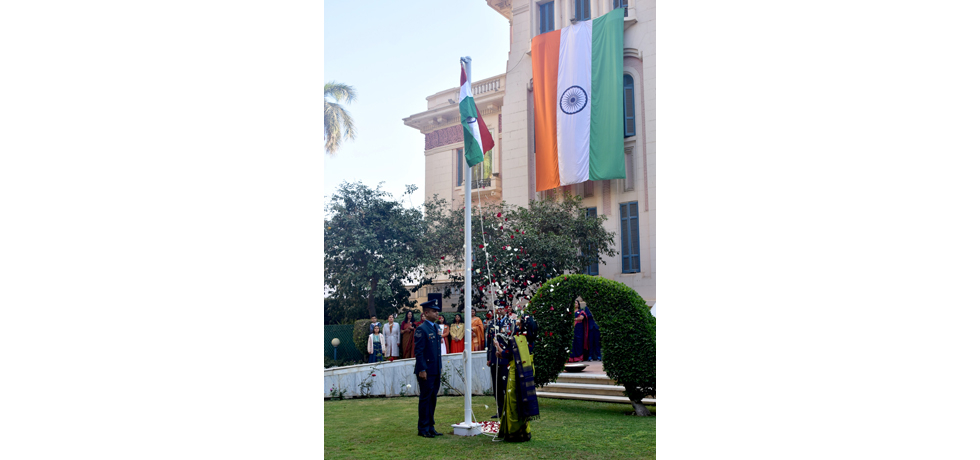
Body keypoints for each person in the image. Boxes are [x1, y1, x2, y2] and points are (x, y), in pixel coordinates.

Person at [493, 330, 539, 442]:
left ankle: (514, 432)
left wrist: (497, 346)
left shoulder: (516, 339)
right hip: (527, 371)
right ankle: (524, 431)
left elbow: (506, 353)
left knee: (513, 401)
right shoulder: (531, 339)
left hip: (515, 373)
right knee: (524, 400)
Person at [414, 299, 444, 438]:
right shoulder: (421, 329)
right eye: (433, 311)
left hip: (435, 369)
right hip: (426, 370)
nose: (437, 313)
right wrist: (422, 369)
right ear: (426, 313)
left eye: (437, 311)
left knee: (433, 399)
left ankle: (431, 426)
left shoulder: (436, 328)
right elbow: (419, 351)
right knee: (425, 399)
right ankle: (423, 428)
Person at [486, 307, 508, 419]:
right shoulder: (492, 324)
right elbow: (489, 342)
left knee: (506, 386)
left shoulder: (510, 323)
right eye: (497, 309)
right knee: (497, 387)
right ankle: (500, 410)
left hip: (505, 359)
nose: (499, 311)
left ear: (507, 309)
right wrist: (488, 358)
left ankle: (508, 410)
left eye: (501, 308)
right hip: (494, 359)